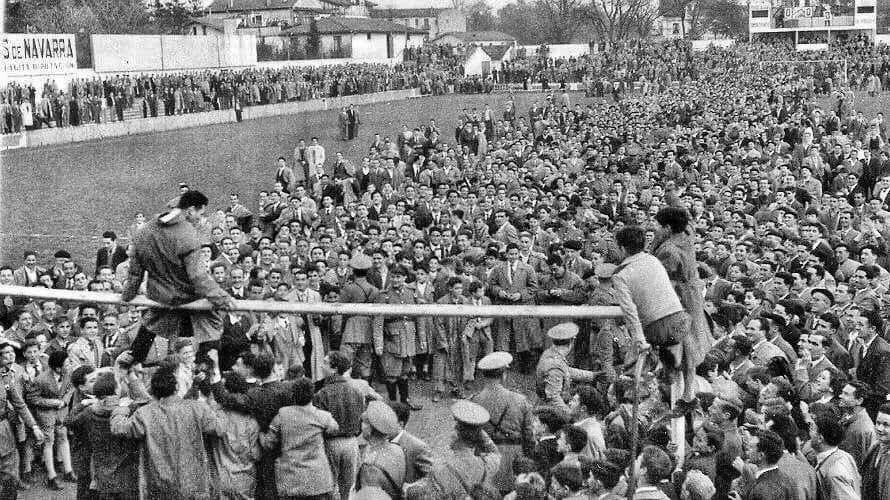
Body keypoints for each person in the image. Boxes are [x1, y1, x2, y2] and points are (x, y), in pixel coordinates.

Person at [120, 190, 236, 367]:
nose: (201, 219)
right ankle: (206, 360)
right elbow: (198, 277)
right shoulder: (188, 235)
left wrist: (127, 296)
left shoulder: (144, 231)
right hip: (184, 295)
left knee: (153, 319)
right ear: (190, 210)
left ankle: (135, 354)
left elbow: (135, 273)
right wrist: (222, 298)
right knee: (211, 318)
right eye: (201, 214)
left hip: (158, 295)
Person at [110, 359, 224, 499]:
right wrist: (213, 405)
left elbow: (119, 428)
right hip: (193, 485)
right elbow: (219, 428)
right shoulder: (197, 408)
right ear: (176, 388)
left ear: (154, 391)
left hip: (159, 485)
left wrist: (121, 409)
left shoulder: (145, 413)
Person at [260, 376, 339, 499]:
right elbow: (334, 428)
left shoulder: (282, 414)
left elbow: (268, 444)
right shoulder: (322, 416)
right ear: (312, 394)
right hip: (317, 481)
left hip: (290, 480)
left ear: (293, 395)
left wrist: (260, 434)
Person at [404, 400, 501, 498]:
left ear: (456, 434)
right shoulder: (487, 465)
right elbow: (495, 452)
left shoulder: (440, 470)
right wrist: (476, 430)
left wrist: (409, 490)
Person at [471, 351, 535, 494]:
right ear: (504, 375)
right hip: (514, 460)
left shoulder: (475, 401)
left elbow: (471, 437)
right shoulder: (520, 400)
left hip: (486, 459)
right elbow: (529, 436)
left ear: (483, 375)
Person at [313, 350, 366, 500]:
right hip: (352, 443)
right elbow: (361, 421)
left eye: (325, 363)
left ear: (334, 369)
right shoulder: (357, 391)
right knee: (349, 490)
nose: (322, 366)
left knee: (329, 488)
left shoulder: (322, 394)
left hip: (330, 444)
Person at [535, 323, 599, 415]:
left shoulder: (551, 353)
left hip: (549, 407)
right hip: (551, 413)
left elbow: (566, 370)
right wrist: (570, 415)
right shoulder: (555, 365)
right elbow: (553, 398)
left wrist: (591, 375)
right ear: (571, 342)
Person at [355, 400, 406, 499]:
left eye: (364, 422)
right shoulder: (397, 448)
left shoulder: (370, 468)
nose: (361, 426)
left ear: (369, 429)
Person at [810, 413, 861, 500]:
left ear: (820, 438)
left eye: (812, 429)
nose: (809, 433)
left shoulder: (834, 474)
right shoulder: (844, 455)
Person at [390, 401, 433, 484]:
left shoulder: (418, 447)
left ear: (400, 424)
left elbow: (430, 478)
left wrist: (411, 488)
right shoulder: (379, 439)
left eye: (388, 421)